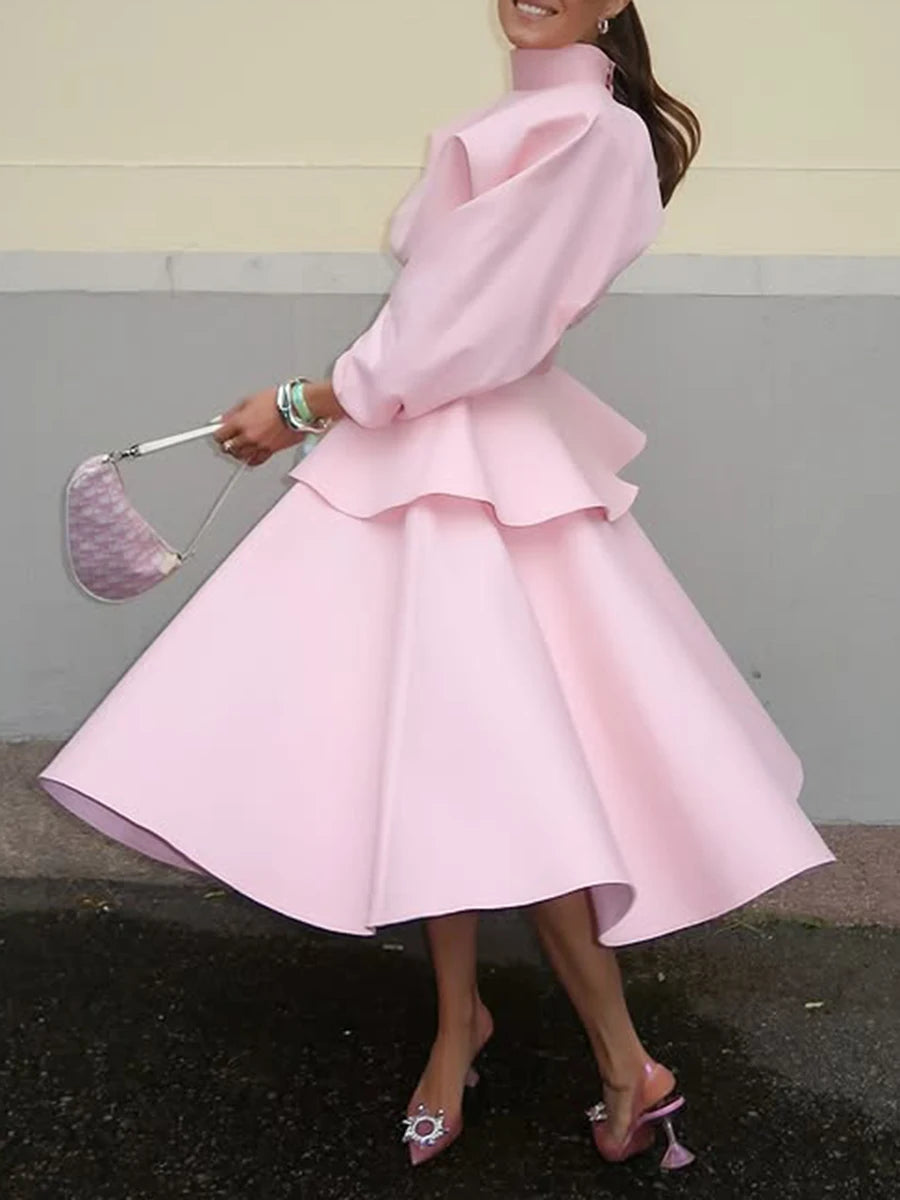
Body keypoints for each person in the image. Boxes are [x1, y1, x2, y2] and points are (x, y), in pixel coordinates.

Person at [40, 0, 835, 1174]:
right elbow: (440, 319)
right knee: (431, 751)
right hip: (428, 453)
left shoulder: (589, 130)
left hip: (476, 470)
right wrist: (336, 402)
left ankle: (623, 1060)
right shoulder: (527, 118)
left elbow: (475, 324)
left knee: (503, 764)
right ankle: (465, 1023)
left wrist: (308, 402)